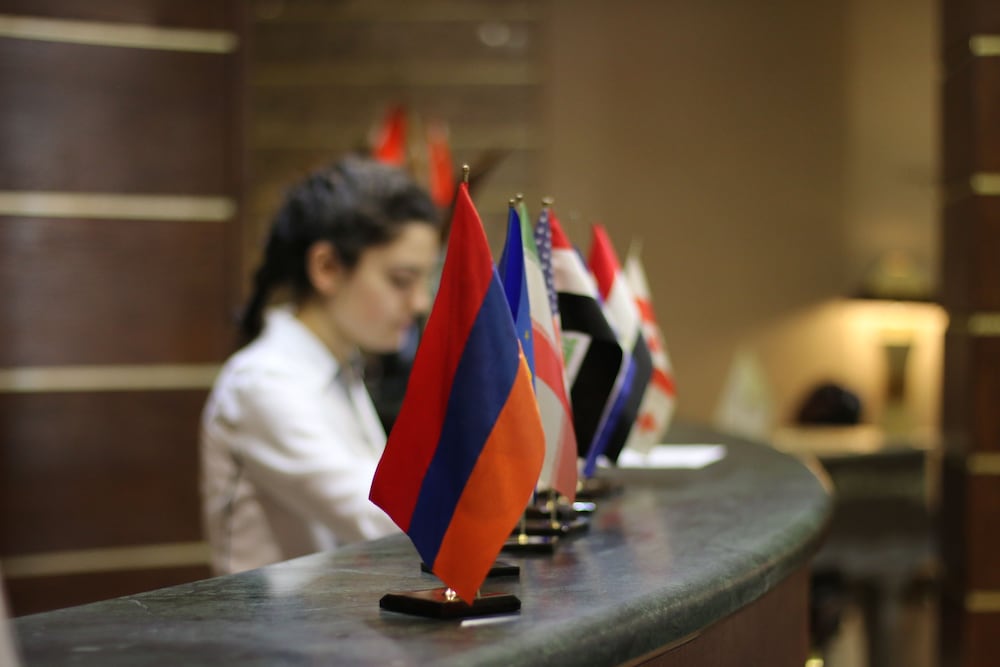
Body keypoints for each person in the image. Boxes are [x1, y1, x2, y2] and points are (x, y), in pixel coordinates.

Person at [200, 155, 442, 574]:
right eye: (401, 280)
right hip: (276, 619)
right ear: (327, 268)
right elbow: (381, 516)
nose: (420, 302)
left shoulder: (342, 363)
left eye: (425, 280)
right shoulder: (263, 383)